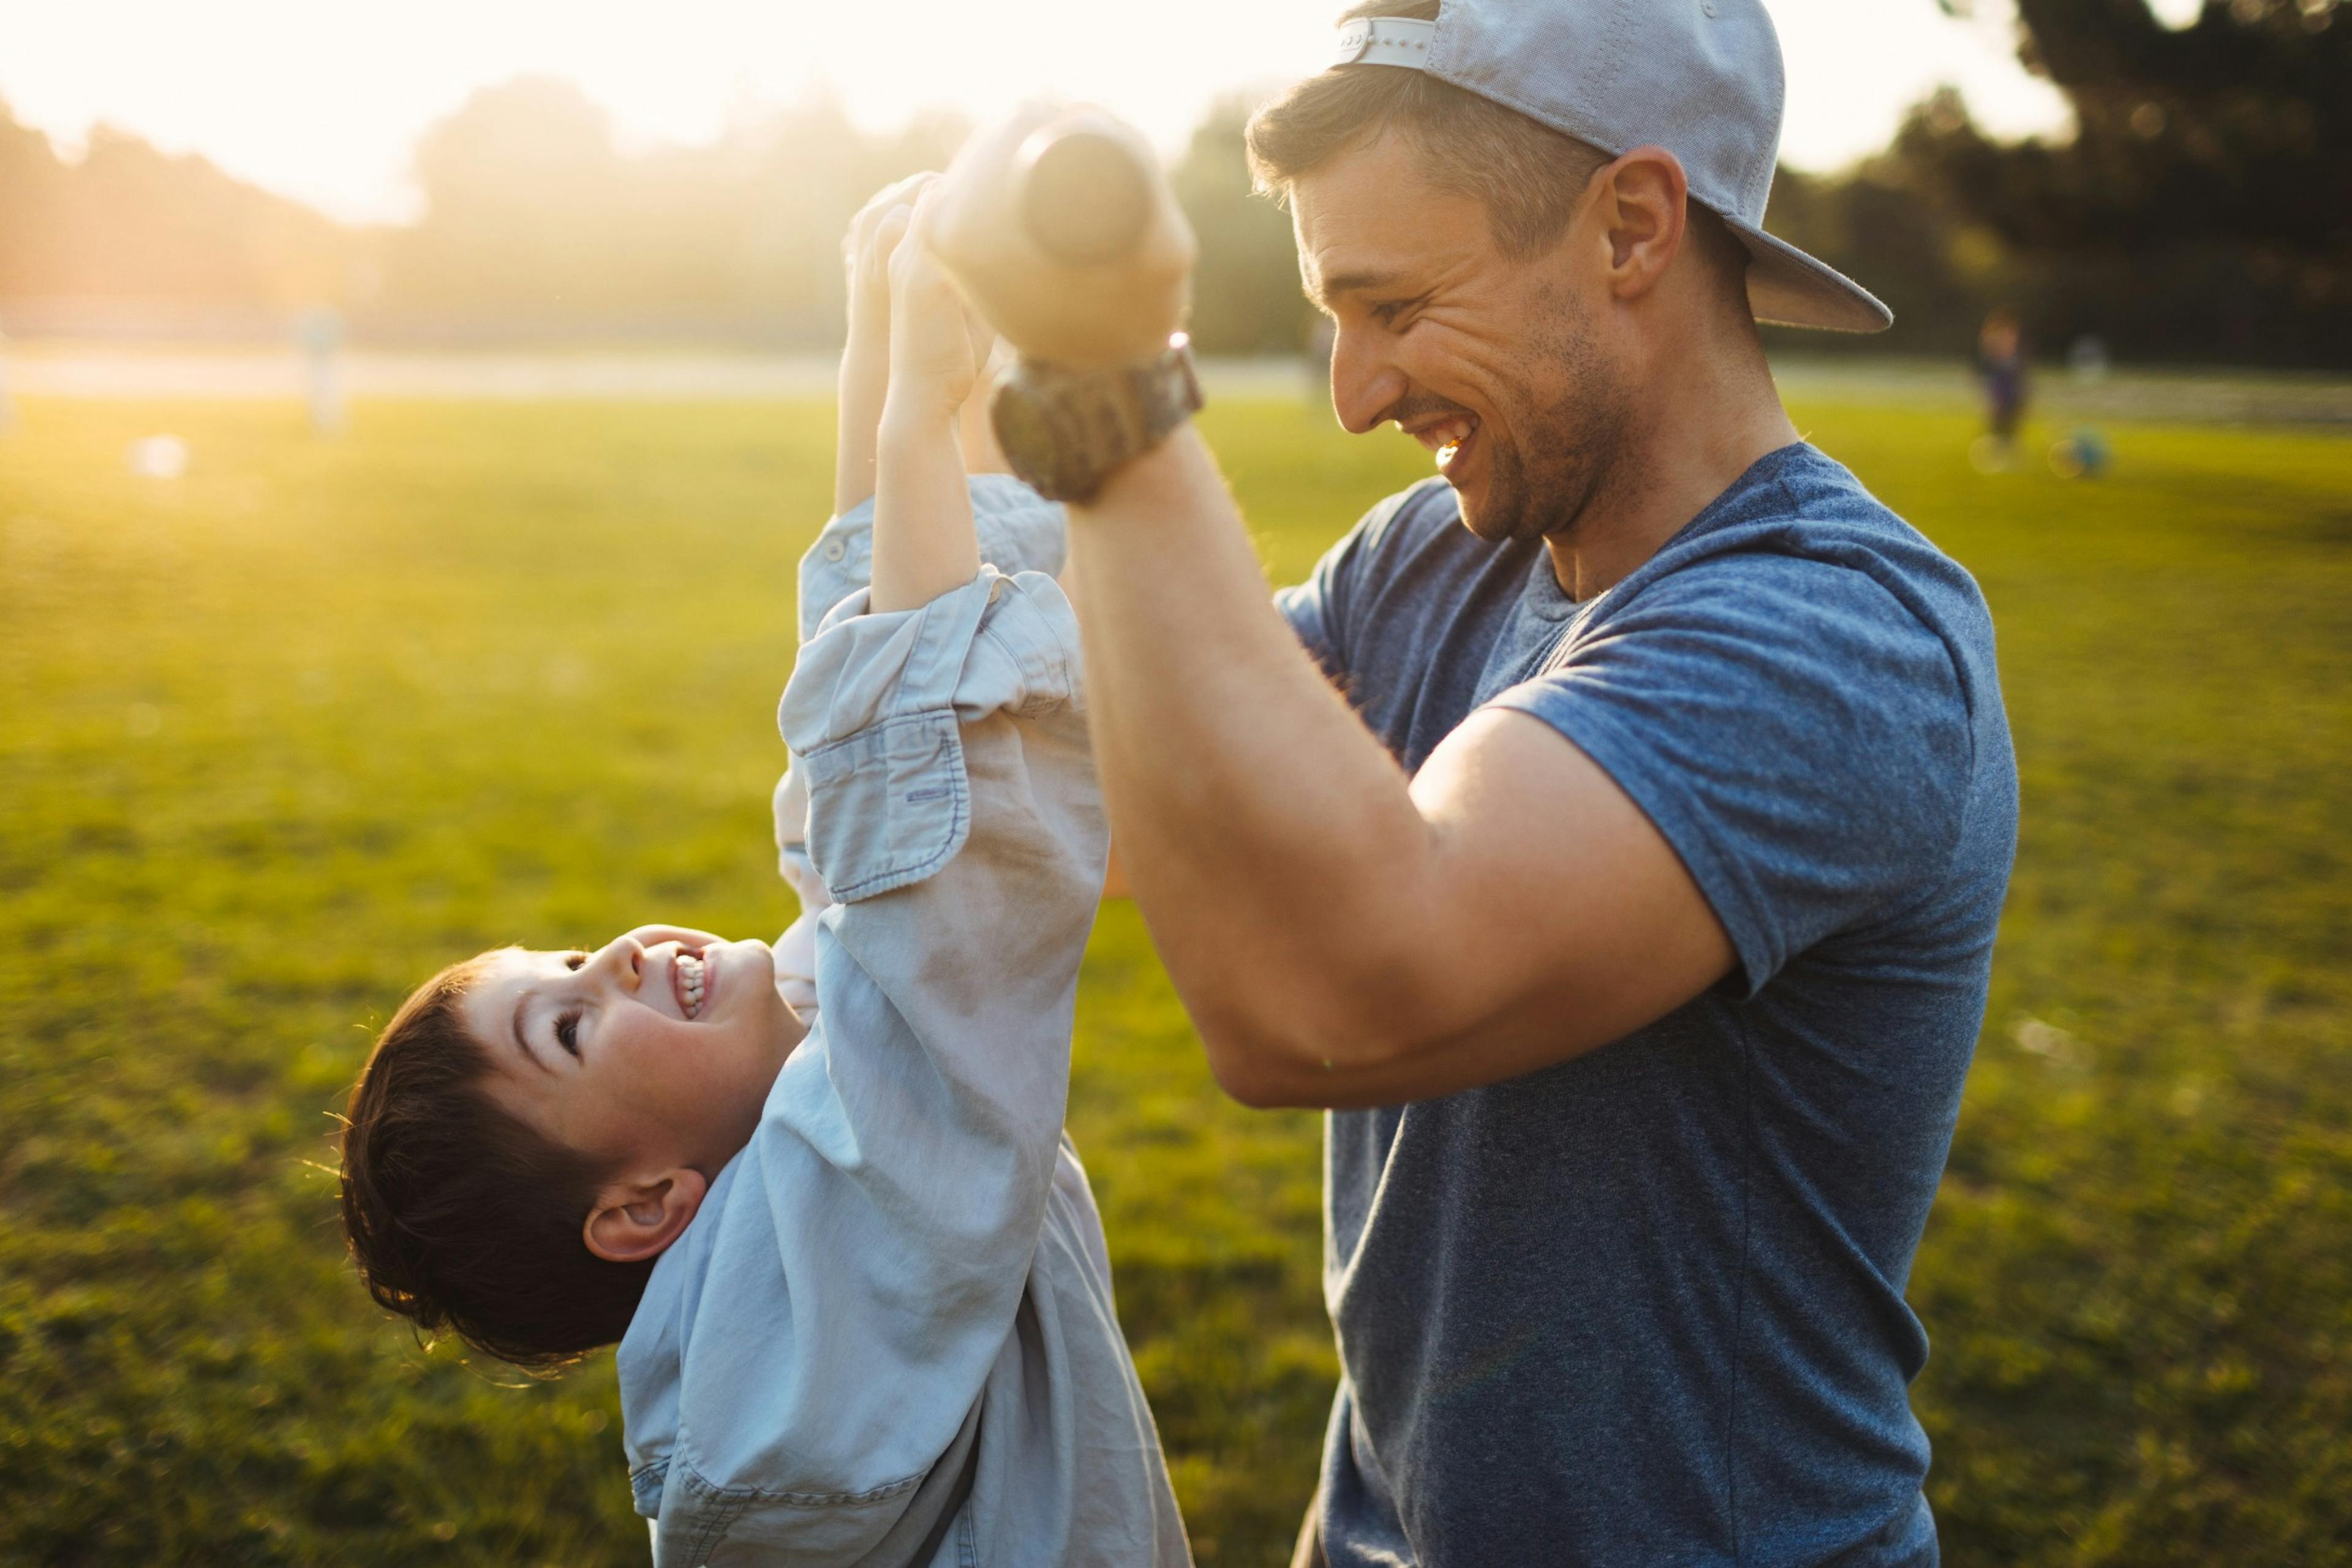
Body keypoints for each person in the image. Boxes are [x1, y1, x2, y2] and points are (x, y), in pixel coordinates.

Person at [922, 2, 2018, 1565]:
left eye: (1397, 305)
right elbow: (1065, 800)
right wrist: (935, 369)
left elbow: (1326, 996)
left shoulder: (1843, 641)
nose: (1356, 392)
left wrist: (1115, 403)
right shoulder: (1429, 560)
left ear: (1634, 226)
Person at [335, 179, 1190, 1567]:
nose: (605, 959)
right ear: (642, 1206)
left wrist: (876, 343)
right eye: (564, 1025)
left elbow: (873, 812)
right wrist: (917, 400)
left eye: (561, 961)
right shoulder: (808, 1326)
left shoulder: (792, 1146)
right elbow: (929, 866)